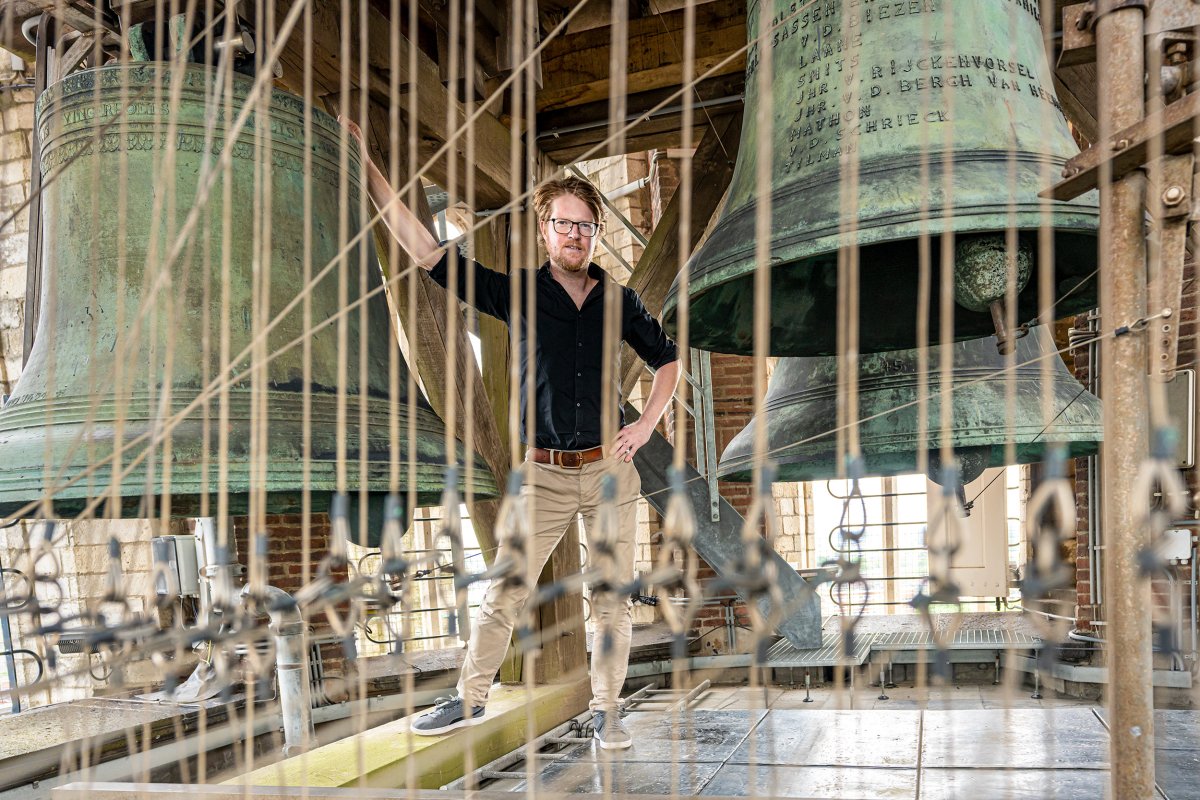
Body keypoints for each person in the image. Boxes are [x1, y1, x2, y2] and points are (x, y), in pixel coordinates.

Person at [341, 118, 681, 750]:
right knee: (505, 591)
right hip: (543, 474)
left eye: (586, 225)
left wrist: (645, 425)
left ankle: (608, 711)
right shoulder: (518, 292)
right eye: (564, 223)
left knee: (611, 600)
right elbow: (428, 254)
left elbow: (668, 360)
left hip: (610, 471)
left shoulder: (620, 301)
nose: (575, 234)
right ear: (544, 228)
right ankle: (470, 698)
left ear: (596, 233)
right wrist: (368, 172)